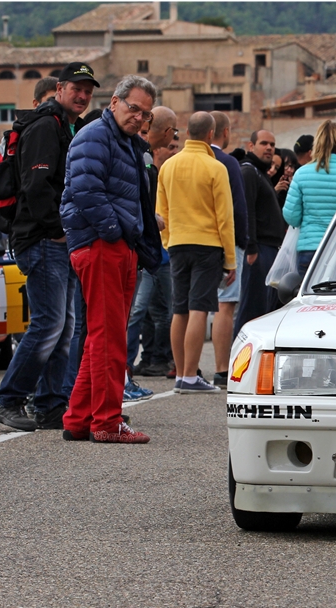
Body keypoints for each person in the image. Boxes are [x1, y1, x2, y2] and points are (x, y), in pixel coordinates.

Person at [0, 62, 96, 432]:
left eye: (88, 91)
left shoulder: (66, 126)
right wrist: (57, 230)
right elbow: (36, 186)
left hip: (56, 239)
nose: (82, 96)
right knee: (49, 323)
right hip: (42, 239)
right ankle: (10, 399)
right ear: (60, 89)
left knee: (63, 326)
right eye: (76, 89)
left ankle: (51, 405)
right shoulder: (45, 126)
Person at [59, 74, 162, 444]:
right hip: (103, 244)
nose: (139, 117)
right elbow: (85, 189)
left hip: (114, 244)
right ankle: (106, 421)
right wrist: (115, 231)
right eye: (134, 108)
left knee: (102, 335)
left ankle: (78, 418)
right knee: (108, 337)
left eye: (145, 113)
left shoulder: (125, 141)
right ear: (115, 102)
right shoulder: (95, 136)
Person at [157, 111, 236, 394]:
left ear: (187, 132)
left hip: (178, 243)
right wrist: (230, 259)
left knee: (179, 309)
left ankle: (181, 372)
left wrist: (168, 240)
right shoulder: (215, 168)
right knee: (199, 307)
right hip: (207, 245)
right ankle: (191, 375)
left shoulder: (168, 166)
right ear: (211, 135)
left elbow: (161, 212)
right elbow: (224, 217)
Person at [126, 133, 180, 380]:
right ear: (157, 149)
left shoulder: (166, 175)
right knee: (140, 311)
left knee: (159, 312)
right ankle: (133, 363)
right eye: (170, 147)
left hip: (163, 255)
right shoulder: (149, 173)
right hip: (149, 254)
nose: (174, 151)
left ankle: (155, 358)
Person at [282, 120, 336, 275]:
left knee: (308, 297)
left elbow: (291, 216)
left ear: (316, 143)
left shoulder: (302, 174)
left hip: (309, 248)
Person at [209, 111, 249, 388]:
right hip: (224, 242)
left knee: (190, 307)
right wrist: (244, 240)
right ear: (223, 133)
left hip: (187, 242)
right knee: (226, 306)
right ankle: (222, 368)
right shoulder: (227, 162)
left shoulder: (178, 162)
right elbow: (237, 205)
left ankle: (186, 369)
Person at [234, 129, 286, 337]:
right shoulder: (249, 171)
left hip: (269, 249)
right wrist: (252, 248)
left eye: (272, 145)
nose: (269, 148)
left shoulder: (260, 172)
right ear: (251, 146)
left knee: (263, 307)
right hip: (259, 250)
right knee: (252, 308)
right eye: (264, 143)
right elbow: (247, 211)